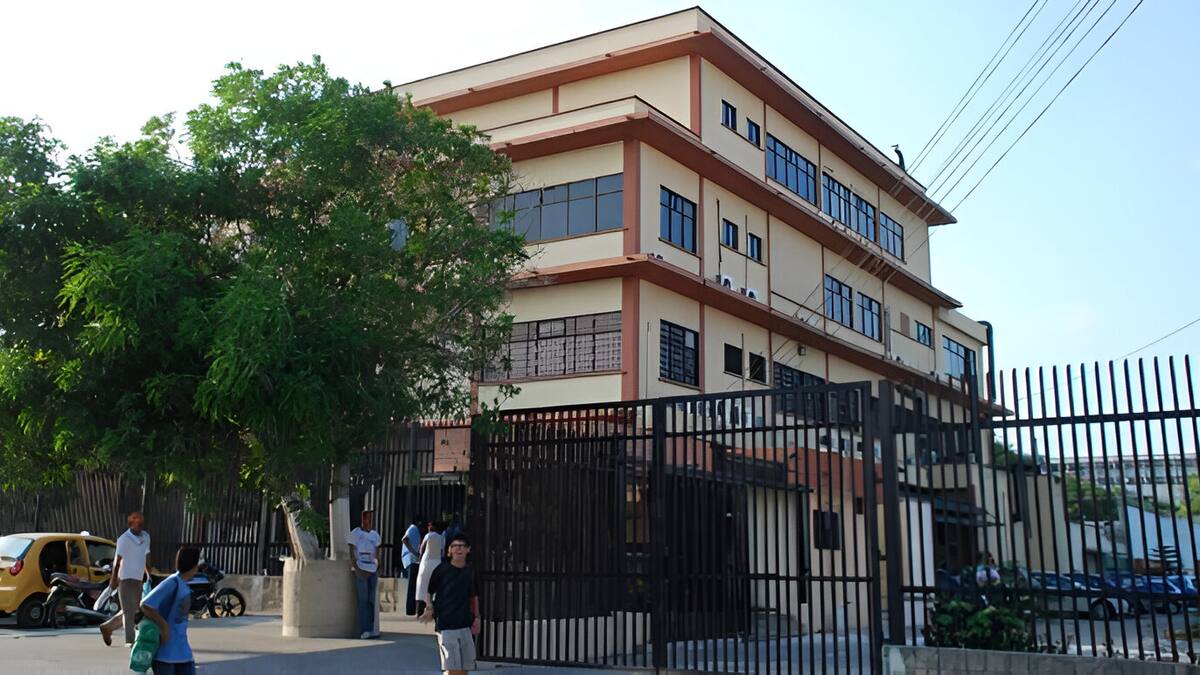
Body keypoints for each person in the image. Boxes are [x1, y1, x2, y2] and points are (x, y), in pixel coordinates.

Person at [420, 533, 480, 675]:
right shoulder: (441, 570)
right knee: (452, 668)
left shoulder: (470, 571)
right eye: (455, 546)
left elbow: (474, 596)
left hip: (465, 623)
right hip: (446, 624)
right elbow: (429, 591)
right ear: (449, 550)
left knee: (464, 668)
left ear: (468, 550)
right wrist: (429, 607)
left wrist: (477, 617)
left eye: (462, 546)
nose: (458, 549)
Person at [139, 546, 201, 675]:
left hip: (183, 651)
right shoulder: (173, 582)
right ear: (194, 565)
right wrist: (164, 627)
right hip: (165, 654)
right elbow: (145, 604)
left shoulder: (182, 583)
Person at [100, 511, 152, 646]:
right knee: (129, 612)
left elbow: (146, 555)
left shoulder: (146, 537)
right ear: (130, 524)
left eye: (140, 523)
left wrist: (149, 574)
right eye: (135, 523)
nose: (138, 525)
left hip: (138, 578)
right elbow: (117, 560)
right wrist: (113, 579)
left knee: (135, 609)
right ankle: (130, 641)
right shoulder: (124, 539)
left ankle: (107, 627)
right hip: (125, 578)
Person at [348, 509, 382, 639]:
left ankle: (371, 628)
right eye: (368, 519)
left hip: (372, 569)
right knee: (363, 600)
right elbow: (352, 553)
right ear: (363, 520)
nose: (369, 522)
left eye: (371, 519)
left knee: (371, 600)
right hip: (361, 568)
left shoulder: (375, 535)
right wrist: (357, 569)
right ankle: (364, 629)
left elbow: (377, 553)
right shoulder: (355, 534)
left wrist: (376, 566)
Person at [414, 521, 446, 615]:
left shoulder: (428, 536)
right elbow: (442, 552)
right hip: (437, 562)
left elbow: (421, 549)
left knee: (421, 586)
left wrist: (419, 559)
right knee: (435, 586)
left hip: (426, 562)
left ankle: (420, 610)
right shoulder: (441, 537)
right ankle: (434, 611)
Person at [402, 515, 423, 616]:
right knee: (412, 586)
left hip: (413, 560)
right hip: (411, 559)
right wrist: (414, 552)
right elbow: (404, 539)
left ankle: (412, 609)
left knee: (413, 585)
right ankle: (410, 609)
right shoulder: (413, 528)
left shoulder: (415, 530)